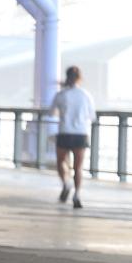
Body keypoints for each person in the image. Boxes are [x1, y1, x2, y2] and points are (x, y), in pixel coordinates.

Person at [50, 65, 95, 210]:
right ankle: (77, 194)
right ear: (80, 78)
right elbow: (92, 117)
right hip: (81, 133)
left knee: (61, 161)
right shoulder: (86, 95)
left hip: (64, 131)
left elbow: (52, 113)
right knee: (78, 167)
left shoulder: (61, 95)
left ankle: (66, 183)